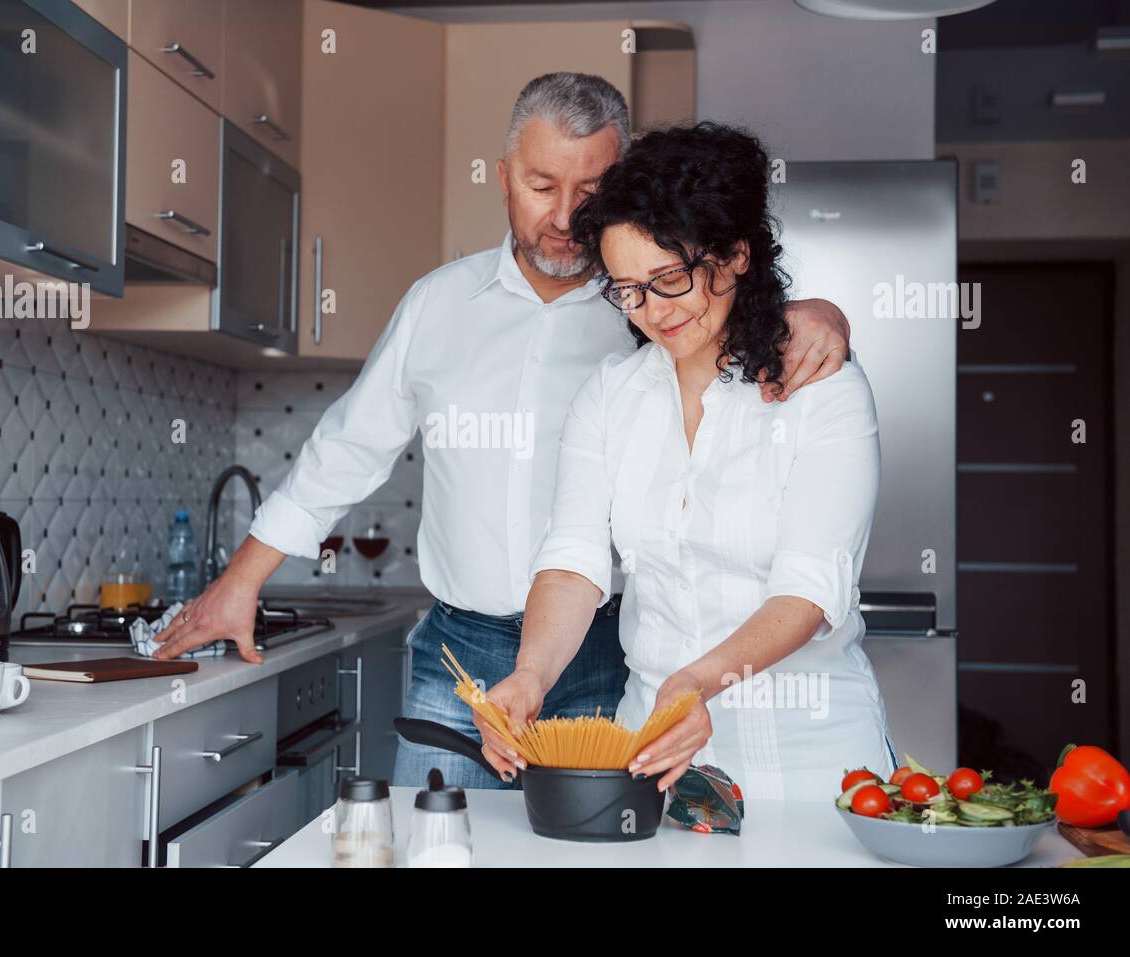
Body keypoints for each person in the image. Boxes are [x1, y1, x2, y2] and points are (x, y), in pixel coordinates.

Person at [152, 75, 854, 791]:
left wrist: (816, 310)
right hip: (461, 653)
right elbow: (348, 449)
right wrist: (241, 581)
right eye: (542, 183)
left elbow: (723, 312)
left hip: (611, 651)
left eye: (592, 189)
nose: (564, 215)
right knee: (439, 840)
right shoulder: (440, 306)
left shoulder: (647, 313)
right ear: (503, 178)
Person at [473, 122, 897, 800]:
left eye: (669, 279)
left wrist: (699, 681)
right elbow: (574, 562)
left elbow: (811, 589)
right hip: (652, 764)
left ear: (732, 256)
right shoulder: (609, 398)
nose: (650, 311)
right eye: (627, 288)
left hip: (817, 766)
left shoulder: (824, 391)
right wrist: (531, 675)